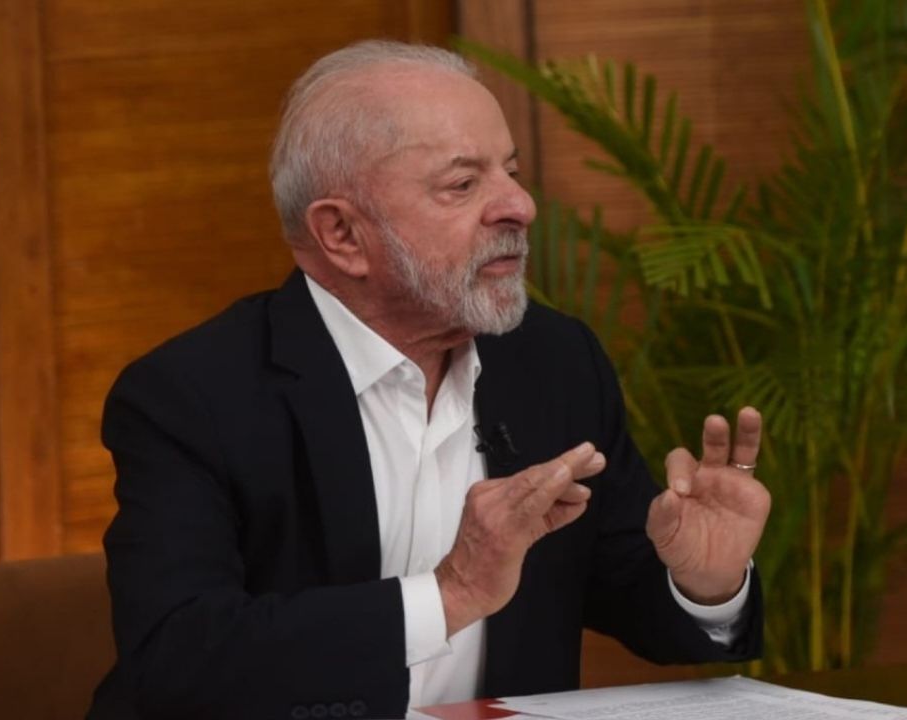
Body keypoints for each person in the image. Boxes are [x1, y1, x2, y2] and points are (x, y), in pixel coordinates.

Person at [87, 40, 771, 720]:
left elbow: (628, 590)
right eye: (463, 185)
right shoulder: (192, 396)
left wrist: (705, 584)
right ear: (342, 235)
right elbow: (177, 661)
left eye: (510, 171)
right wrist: (451, 593)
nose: (520, 205)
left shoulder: (555, 361)